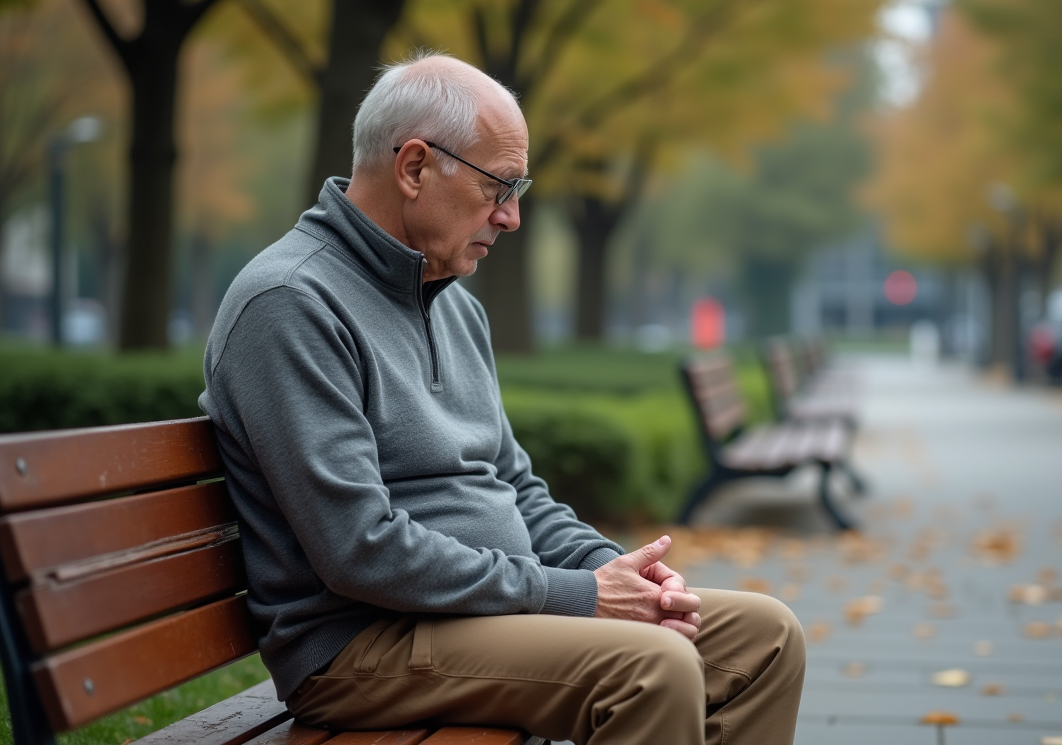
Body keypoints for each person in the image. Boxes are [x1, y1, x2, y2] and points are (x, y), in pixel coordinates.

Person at [200, 52, 805, 745]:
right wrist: (578, 597)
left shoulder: (454, 305)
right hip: (358, 646)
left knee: (766, 637)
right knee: (654, 667)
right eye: (499, 187)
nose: (512, 217)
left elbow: (516, 487)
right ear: (415, 167)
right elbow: (359, 550)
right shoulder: (290, 303)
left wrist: (613, 572)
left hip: (476, 620)